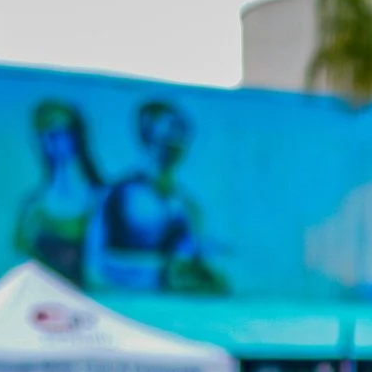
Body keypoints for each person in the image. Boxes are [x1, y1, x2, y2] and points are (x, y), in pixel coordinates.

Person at [92, 101, 227, 294]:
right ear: (147, 135)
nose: (173, 143)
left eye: (179, 134)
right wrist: (160, 274)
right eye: (166, 133)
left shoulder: (186, 204)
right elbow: (96, 264)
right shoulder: (119, 194)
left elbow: (190, 256)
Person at [14, 100, 103, 285]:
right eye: (43, 131)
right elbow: (20, 263)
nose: (51, 138)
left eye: (59, 130)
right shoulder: (32, 207)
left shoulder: (100, 200)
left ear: (76, 135)